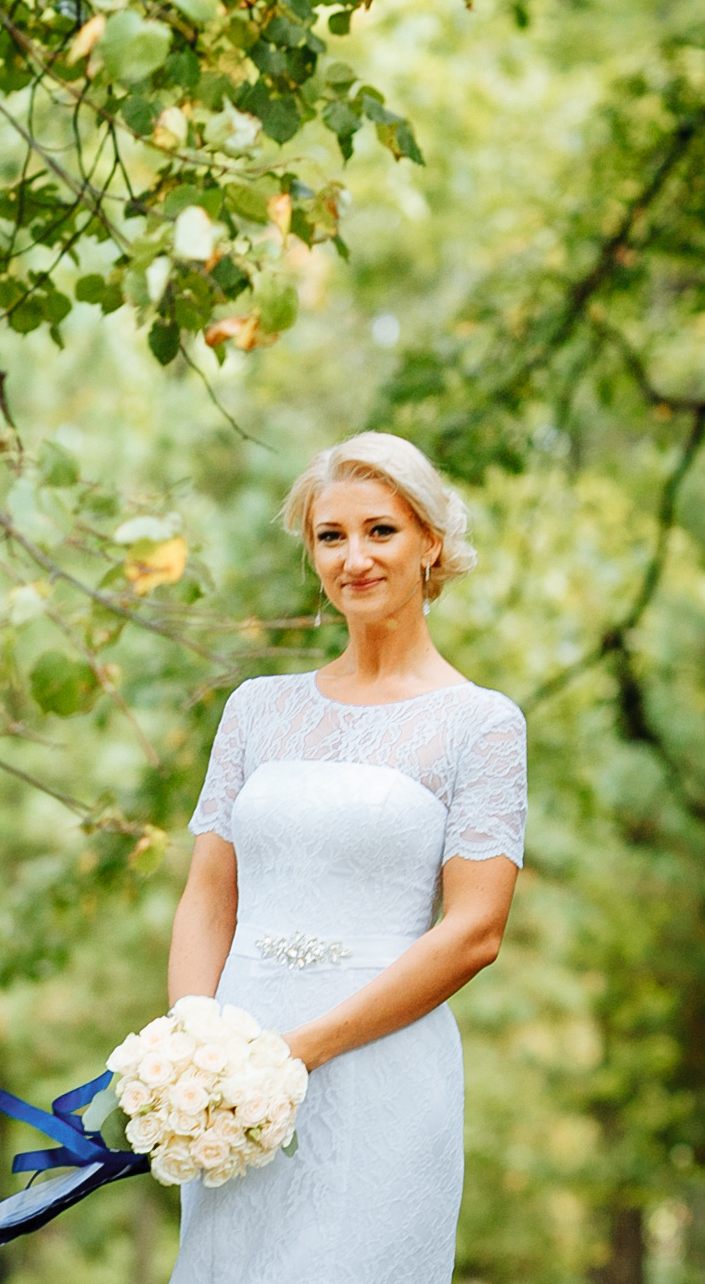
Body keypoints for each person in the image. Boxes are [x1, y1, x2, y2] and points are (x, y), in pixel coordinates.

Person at [167, 431, 527, 1284]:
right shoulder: (255, 710)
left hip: (378, 1068)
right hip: (234, 1082)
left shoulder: (480, 723)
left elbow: (474, 930)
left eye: (380, 531)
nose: (353, 558)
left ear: (430, 542)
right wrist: (193, 1044)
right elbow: (207, 898)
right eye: (331, 536)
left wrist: (304, 1049)